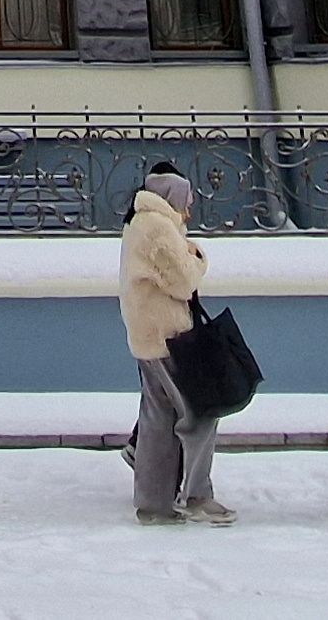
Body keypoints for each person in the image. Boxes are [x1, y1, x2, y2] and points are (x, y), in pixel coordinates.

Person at [121, 161, 233, 526]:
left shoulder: (139, 224)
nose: (189, 209)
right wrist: (197, 257)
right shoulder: (157, 228)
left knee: (157, 421)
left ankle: (154, 505)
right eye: (187, 201)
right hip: (170, 338)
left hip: (147, 336)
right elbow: (183, 281)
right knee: (200, 414)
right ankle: (198, 496)